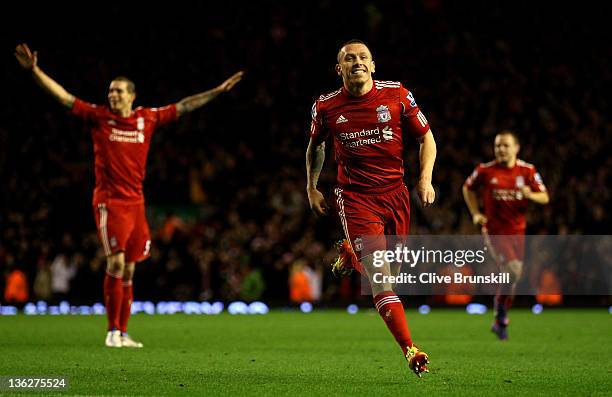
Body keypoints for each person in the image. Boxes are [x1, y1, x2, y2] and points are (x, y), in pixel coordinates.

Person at [15, 43, 243, 348]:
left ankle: (122, 332)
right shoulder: (98, 117)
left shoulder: (147, 119)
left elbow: (185, 105)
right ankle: (111, 331)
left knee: (131, 268)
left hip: (137, 204)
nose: (113, 95)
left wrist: (217, 91)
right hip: (110, 202)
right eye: (111, 91)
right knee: (117, 264)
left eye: (119, 91)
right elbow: (64, 97)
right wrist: (35, 72)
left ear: (132, 96)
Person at [305, 39, 436, 378]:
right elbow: (315, 147)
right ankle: (411, 348)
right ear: (340, 69)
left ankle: (351, 253)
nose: (357, 62)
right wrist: (312, 186)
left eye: (363, 57)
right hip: (356, 198)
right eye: (349, 58)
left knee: (391, 274)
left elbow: (426, 137)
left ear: (373, 65)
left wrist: (425, 179)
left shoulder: (397, 95)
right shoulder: (326, 106)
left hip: (396, 195)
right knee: (381, 280)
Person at [463, 131, 549, 340]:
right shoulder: (485, 170)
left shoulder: (528, 171)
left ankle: (500, 318)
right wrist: (475, 213)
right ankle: (500, 315)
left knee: (513, 277)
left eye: (505, 145)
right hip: (494, 232)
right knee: (512, 270)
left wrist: (531, 195)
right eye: (498, 146)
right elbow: (467, 188)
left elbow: (545, 197)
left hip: (518, 233)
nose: (501, 149)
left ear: (516, 148)